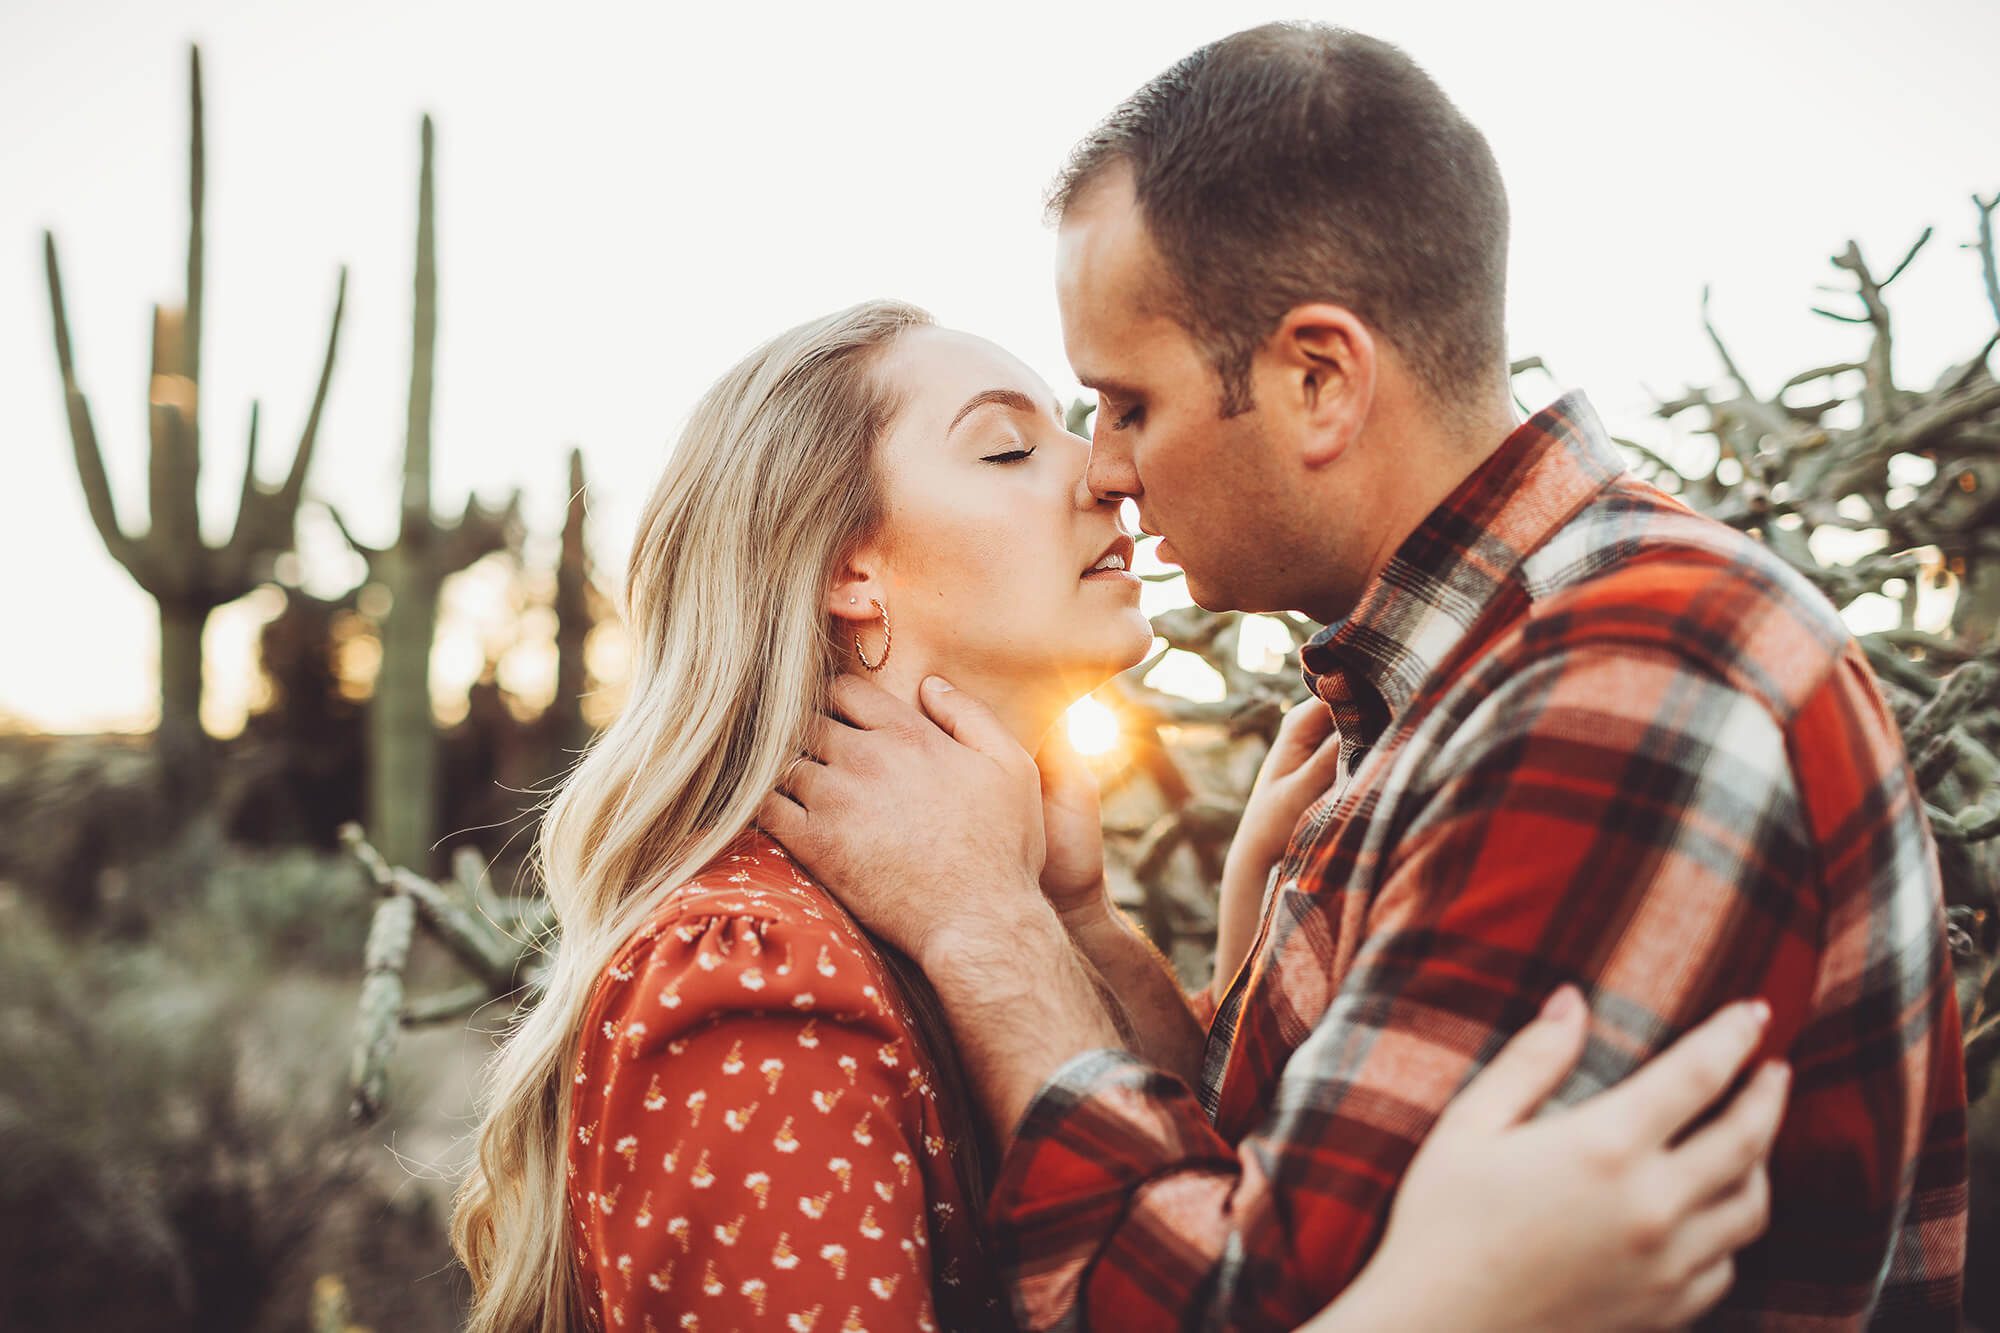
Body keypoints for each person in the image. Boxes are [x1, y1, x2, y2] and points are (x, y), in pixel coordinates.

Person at [758, 23, 1971, 1332]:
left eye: (1127, 404)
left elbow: (1246, 1306)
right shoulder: (1471, 683)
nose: (1101, 470)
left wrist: (989, 934)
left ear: (1319, 378)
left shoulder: (1625, 687)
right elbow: (1281, 1176)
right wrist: (1092, 930)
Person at [448, 301, 1787, 1332]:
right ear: (849, 567)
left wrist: (1146, 941)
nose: (1101, 473)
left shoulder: (954, 897)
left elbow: (1169, 1213)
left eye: (1078, 423)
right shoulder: (755, 980)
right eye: (1008, 444)